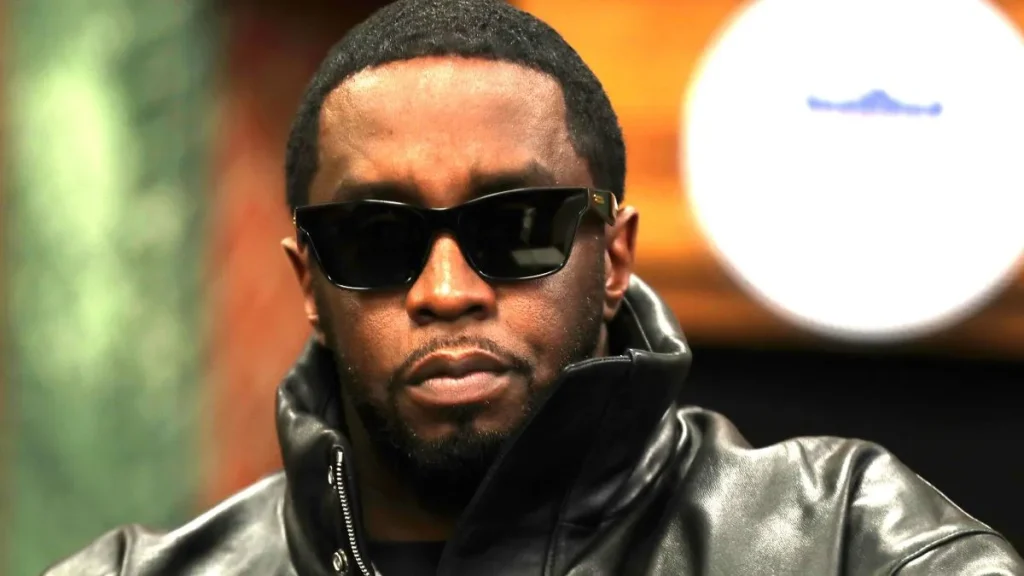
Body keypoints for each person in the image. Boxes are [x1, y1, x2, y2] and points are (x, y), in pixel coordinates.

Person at [46, 0, 1023, 574]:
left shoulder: (846, 540)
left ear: (616, 258)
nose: (445, 290)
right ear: (309, 282)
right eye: (376, 240)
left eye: (515, 230)